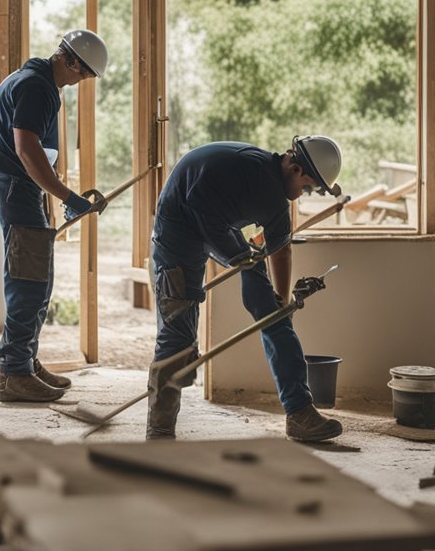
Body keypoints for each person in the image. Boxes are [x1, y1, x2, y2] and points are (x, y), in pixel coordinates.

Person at [146, 136, 346, 442]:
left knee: (272, 314)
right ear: (294, 167)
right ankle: (160, 431)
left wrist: (280, 304)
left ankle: (300, 413)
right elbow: (199, 210)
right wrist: (238, 255)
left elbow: (281, 248)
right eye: (307, 188)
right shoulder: (250, 174)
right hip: (179, 226)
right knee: (179, 330)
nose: (303, 195)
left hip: (218, 225)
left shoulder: (276, 199)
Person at [0, 29, 109, 403]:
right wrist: (67, 195)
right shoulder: (37, 87)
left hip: (8, 184)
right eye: (83, 74)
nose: (81, 81)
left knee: (36, 276)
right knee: (29, 281)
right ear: (69, 60)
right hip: (16, 186)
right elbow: (27, 149)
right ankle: (14, 371)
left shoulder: (26, 79)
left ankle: (25, 361)